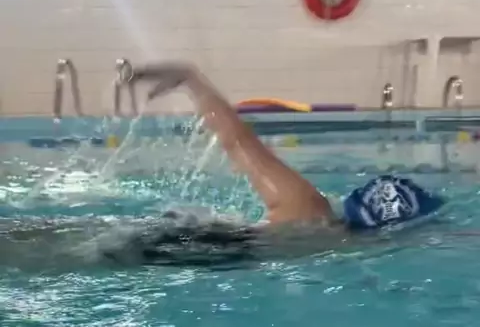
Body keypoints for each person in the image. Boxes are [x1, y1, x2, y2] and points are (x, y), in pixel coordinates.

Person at [129, 62, 446, 232]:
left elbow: (238, 142)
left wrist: (193, 80)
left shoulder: (307, 208)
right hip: (165, 252)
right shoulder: (312, 218)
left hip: (165, 243)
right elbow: (239, 142)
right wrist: (191, 78)